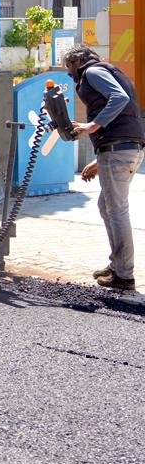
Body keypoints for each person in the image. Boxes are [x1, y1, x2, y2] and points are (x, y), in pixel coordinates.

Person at [63, 45, 143, 291]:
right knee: (106, 206)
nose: (71, 76)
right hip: (126, 149)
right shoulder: (106, 70)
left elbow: (120, 98)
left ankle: (124, 275)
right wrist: (99, 161)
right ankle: (117, 264)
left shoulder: (93, 72)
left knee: (117, 210)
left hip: (119, 150)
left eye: (70, 70)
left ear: (78, 62)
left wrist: (93, 125)